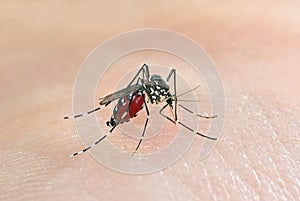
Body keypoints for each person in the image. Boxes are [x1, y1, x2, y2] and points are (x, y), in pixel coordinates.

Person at [0, 1, 298, 200]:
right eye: (170, 101)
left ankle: (109, 118)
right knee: (141, 92)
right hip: (130, 100)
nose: (170, 102)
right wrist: (132, 111)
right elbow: (149, 94)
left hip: (139, 94)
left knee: (149, 85)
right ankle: (102, 127)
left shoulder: (163, 88)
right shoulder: (152, 91)